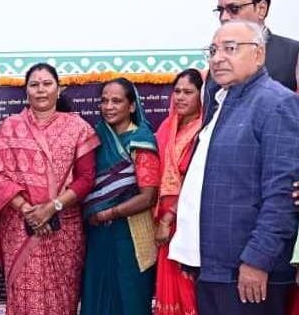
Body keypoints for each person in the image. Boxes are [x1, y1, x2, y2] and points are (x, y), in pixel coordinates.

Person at [169, 20, 299, 315]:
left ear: (258, 54)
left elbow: (282, 195)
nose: (217, 58)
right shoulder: (220, 102)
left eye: (230, 48)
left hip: (249, 271)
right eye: (213, 50)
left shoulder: (276, 103)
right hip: (214, 267)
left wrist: (257, 260)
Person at [0, 62, 98, 315]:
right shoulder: (10, 126)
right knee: (23, 295)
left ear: (59, 89)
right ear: (26, 91)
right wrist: (29, 210)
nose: (41, 90)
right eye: (34, 85)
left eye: (47, 84)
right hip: (20, 227)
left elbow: (86, 178)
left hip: (63, 228)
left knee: (61, 298)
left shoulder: (78, 127)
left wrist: (52, 207)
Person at [80, 77, 160, 315]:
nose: (108, 107)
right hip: (97, 234)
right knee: (98, 295)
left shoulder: (141, 140)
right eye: (104, 101)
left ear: (132, 106)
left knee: (129, 298)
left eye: (116, 101)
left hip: (130, 235)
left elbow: (148, 197)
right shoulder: (95, 138)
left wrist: (109, 213)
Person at [153, 68, 203, 315]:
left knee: (187, 285)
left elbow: (195, 179)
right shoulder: (167, 126)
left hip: (187, 219)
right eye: (177, 91)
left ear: (201, 95)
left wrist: (168, 218)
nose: (180, 97)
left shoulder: (204, 129)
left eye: (188, 92)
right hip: (162, 217)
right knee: (168, 284)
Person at [210, 0, 299, 92]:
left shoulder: (293, 53)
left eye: (234, 8)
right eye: (221, 10)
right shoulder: (216, 57)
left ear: (261, 9)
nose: (224, 17)